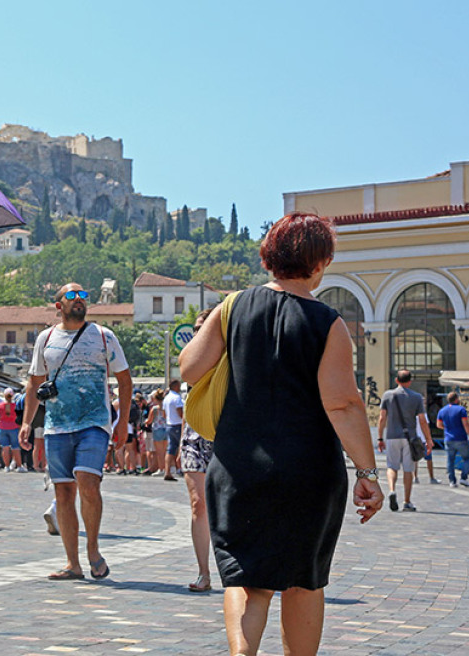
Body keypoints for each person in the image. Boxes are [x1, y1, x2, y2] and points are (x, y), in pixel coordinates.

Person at [178, 212, 382, 655]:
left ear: (267, 257)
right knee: (303, 580)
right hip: (308, 470)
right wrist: (367, 473)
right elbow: (343, 404)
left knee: (246, 578)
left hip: (238, 465)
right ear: (321, 263)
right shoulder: (328, 323)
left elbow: (190, 368)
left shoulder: (233, 307)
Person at [20, 283, 132, 581]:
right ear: (59, 305)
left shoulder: (104, 336)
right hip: (57, 425)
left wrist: (122, 421)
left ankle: (93, 550)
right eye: (71, 296)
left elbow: (124, 379)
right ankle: (73, 563)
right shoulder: (46, 339)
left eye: (83, 295)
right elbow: (35, 382)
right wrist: (27, 422)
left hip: (94, 423)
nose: (79, 299)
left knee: (88, 481)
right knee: (64, 492)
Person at [180, 308, 215, 593]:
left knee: (228, 507)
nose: (198, 332)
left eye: (203, 327)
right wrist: (179, 442)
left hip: (224, 436)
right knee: (198, 504)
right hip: (193, 438)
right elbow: (189, 404)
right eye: (195, 328)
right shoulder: (191, 359)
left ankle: (238, 570)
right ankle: (204, 572)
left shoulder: (227, 357)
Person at [378, 370, 433, 512]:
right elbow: (422, 420)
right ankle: (407, 501)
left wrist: (380, 437)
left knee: (392, 466)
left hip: (392, 436)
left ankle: (392, 490)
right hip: (410, 438)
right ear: (410, 382)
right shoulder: (416, 397)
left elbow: (382, 418)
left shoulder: (387, 395)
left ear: (396, 380)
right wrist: (428, 439)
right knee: (408, 469)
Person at [436, 392, 469, 488]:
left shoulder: (442, 410)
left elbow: (438, 425)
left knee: (450, 460)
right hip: (461, 438)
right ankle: (463, 477)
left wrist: (448, 428)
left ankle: (452, 481)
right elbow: (466, 424)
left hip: (448, 439)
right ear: (456, 399)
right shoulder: (461, 409)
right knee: (467, 458)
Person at [0, 388, 24, 471]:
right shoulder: (15, 406)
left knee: (5, 447)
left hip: (2, 428)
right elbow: (19, 419)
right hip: (13, 427)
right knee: (16, 447)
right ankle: (19, 466)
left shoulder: (0, 406)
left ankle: (6, 466)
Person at [162, 380, 184, 481]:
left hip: (169, 424)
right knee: (181, 446)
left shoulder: (166, 398)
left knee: (170, 448)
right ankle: (181, 468)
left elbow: (164, 414)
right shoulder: (177, 398)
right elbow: (180, 413)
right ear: (175, 386)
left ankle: (167, 471)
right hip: (177, 424)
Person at [146, 389, 168, 475]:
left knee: (159, 452)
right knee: (165, 451)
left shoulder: (154, 408)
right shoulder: (166, 407)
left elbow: (149, 420)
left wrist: (145, 422)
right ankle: (166, 469)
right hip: (166, 428)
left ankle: (161, 469)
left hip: (157, 429)